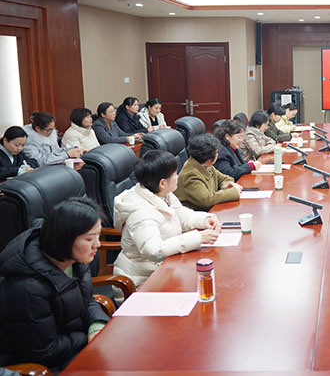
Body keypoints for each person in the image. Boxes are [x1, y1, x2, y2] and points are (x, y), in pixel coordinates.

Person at [0, 197, 109, 373]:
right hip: (48, 364)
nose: (98, 244)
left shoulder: (76, 260)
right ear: (65, 239)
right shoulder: (28, 288)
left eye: (98, 235)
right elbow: (45, 352)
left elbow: (88, 300)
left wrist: (96, 325)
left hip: (74, 346)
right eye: (90, 239)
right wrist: (87, 336)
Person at [113, 150, 221, 287]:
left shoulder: (161, 194)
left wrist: (206, 219)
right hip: (143, 281)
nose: (178, 177)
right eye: (175, 174)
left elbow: (183, 215)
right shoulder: (141, 213)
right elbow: (154, 250)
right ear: (163, 183)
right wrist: (198, 238)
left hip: (166, 268)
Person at [173, 133, 241, 211]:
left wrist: (225, 185)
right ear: (208, 157)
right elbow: (207, 200)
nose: (218, 154)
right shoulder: (190, 175)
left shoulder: (204, 164)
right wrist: (233, 192)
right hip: (197, 214)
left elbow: (225, 178)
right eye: (216, 152)